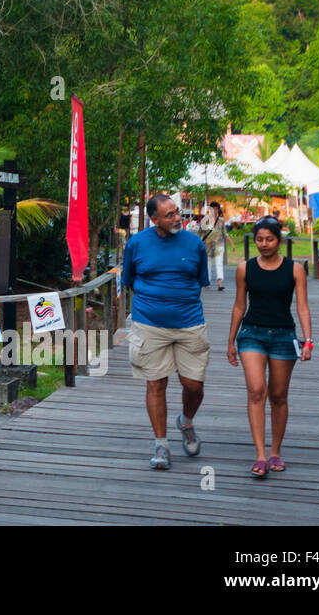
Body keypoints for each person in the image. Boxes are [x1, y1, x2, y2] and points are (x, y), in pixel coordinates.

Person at [122, 193, 212, 469]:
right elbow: (129, 281)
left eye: (178, 212)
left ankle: (186, 421)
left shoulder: (194, 243)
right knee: (155, 383)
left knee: (194, 385)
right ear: (154, 219)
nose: (178, 218)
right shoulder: (136, 244)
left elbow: (201, 281)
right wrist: (154, 303)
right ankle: (161, 445)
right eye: (170, 215)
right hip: (149, 323)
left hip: (190, 322)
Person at [227, 215, 312, 478]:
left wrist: (308, 339)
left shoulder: (295, 269)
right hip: (251, 333)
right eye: (259, 240)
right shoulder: (245, 268)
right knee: (255, 391)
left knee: (278, 395)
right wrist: (230, 340)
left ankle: (275, 450)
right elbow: (240, 305)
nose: (264, 244)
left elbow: (302, 306)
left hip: (284, 335)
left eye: (269, 239)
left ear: (279, 240)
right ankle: (260, 455)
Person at [199, 201, 229, 292]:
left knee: (219, 263)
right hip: (208, 246)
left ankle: (220, 282)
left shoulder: (221, 220)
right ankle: (207, 282)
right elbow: (200, 233)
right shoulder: (205, 220)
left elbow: (225, 233)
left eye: (216, 208)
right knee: (208, 264)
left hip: (219, 245)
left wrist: (231, 243)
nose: (215, 210)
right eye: (213, 208)